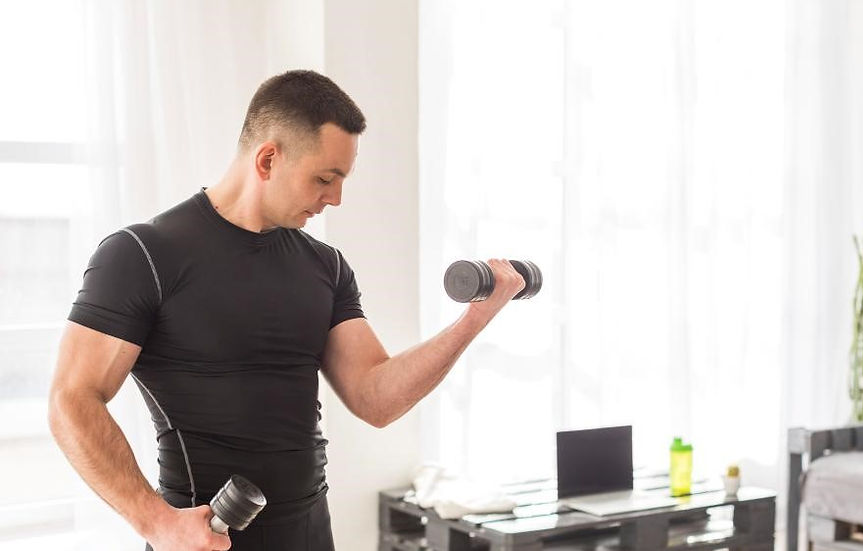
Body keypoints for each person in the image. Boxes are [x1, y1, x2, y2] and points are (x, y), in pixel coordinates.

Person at [47, 70, 525, 551]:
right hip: (206, 540)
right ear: (268, 159)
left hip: (311, 533)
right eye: (324, 178)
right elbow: (72, 400)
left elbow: (375, 398)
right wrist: (157, 523)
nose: (335, 198)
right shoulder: (143, 255)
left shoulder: (324, 265)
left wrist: (474, 320)